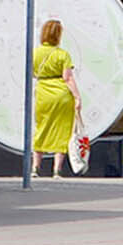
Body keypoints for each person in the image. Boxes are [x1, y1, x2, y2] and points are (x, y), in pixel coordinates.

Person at [33, 18, 85, 178]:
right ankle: (57, 169)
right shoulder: (62, 55)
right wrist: (77, 97)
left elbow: (32, 73)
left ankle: (35, 167)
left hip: (43, 92)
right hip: (61, 95)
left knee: (42, 128)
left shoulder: (35, 53)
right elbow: (68, 78)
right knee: (62, 131)